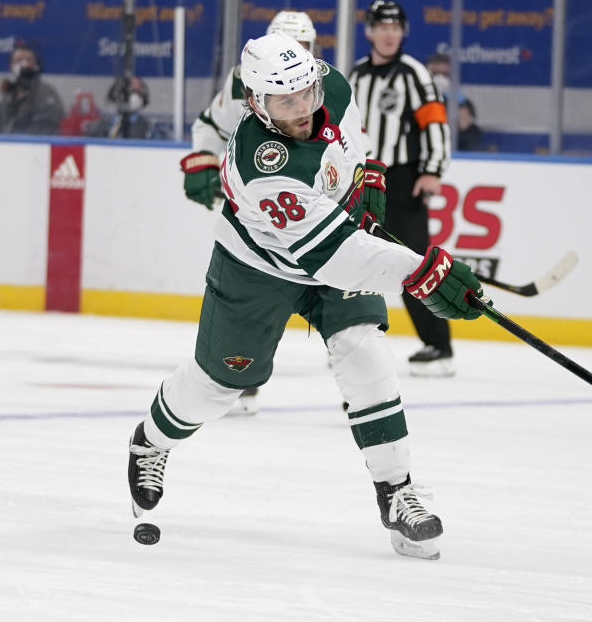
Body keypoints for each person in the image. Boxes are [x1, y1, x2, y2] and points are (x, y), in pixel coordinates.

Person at [127, 31, 488, 560]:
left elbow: (352, 139)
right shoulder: (264, 167)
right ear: (255, 103)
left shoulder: (332, 89)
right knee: (220, 384)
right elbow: (337, 257)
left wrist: (364, 182)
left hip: (328, 248)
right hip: (258, 268)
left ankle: (397, 493)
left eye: (307, 93)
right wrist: (420, 273)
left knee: (365, 352)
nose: (304, 108)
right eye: (286, 101)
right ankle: (151, 440)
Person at [180, 10, 317, 416]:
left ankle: (359, 385)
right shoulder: (244, 79)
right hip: (257, 214)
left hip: (316, 209)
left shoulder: (324, 83)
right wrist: (203, 160)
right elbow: (211, 124)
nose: (296, 58)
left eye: (304, 48)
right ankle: (240, 374)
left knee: (347, 310)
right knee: (255, 297)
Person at [349, 0, 455, 377]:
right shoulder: (356, 75)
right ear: (369, 31)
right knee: (353, 262)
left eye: (395, 27)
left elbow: (435, 123)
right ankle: (349, 338)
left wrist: (432, 170)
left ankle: (439, 345)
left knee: (414, 265)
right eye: (382, 26)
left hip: (403, 181)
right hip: (363, 181)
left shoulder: (413, 74)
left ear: (403, 32)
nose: (389, 33)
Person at [0, 43, 64, 135]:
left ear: (36, 65)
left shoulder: (46, 94)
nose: (24, 64)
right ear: (11, 66)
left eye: (28, 60)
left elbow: (44, 130)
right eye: (18, 60)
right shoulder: (9, 95)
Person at [84, 75, 155, 139]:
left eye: (135, 91)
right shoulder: (104, 124)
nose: (130, 96)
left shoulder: (148, 127)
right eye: (127, 92)